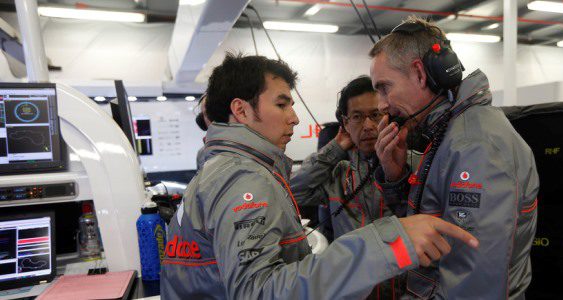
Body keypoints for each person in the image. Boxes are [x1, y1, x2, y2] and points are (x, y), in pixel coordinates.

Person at [160, 52, 479, 299]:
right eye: (282, 104)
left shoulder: (223, 169)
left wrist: (395, 176)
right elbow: (258, 291)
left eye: (376, 115)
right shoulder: (245, 179)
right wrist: (387, 242)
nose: (295, 118)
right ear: (242, 110)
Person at [369, 17, 539, 299]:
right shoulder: (449, 135)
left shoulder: (474, 146)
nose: (381, 105)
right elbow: (431, 233)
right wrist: (396, 176)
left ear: (420, 74)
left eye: (384, 87)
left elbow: (473, 284)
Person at [291, 76, 420, 298]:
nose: (368, 126)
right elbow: (293, 193)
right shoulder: (337, 172)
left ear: (389, 117)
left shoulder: (417, 165)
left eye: (375, 115)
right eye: (357, 117)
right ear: (345, 123)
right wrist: (336, 147)